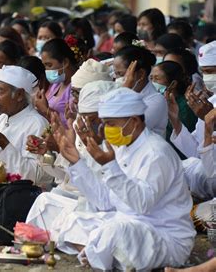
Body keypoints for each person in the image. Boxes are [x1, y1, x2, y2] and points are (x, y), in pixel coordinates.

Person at [53, 87, 195, 271]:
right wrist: (76, 163)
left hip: (164, 237)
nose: (105, 129)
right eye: (105, 123)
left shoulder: (156, 153)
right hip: (125, 223)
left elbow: (142, 205)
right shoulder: (121, 147)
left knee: (115, 231)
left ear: (134, 121)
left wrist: (110, 166)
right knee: (72, 218)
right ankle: (100, 254)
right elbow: (105, 201)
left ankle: (98, 253)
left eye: (111, 123)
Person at [26, 81, 119, 233]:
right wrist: (51, 153)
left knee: (72, 219)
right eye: (84, 118)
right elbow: (67, 176)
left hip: (104, 209)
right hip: (80, 198)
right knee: (44, 202)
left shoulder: (117, 143)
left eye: (93, 120)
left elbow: (104, 199)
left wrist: (72, 158)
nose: (87, 124)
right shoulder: (79, 127)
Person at [0, 65, 49, 183]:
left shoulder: (38, 124)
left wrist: (4, 144)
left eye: (0, 91)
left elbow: (36, 176)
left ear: (19, 95)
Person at [169, 41, 216, 158]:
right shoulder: (211, 101)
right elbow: (196, 152)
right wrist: (175, 120)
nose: (206, 77)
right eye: (203, 72)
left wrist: (211, 122)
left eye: (210, 71)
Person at [113, 45, 169, 136]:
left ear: (141, 74)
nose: (117, 79)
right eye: (115, 74)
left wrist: (125, 90)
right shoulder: (123, 92)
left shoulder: (156, 100)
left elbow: (127, 131)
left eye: (121, 74)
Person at [150, 60, 197, 148]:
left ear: (173, 84)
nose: (152, 83)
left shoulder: (185, 106)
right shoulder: (158, 102)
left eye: (157, 78)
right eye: (151, 78)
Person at [33, 38, 78, 125]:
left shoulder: (76, 87)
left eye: (49, 65)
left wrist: (46, 110)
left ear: (65, 62)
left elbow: (73, 124)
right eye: (45, 66)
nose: (47, 70)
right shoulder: (56, 84)